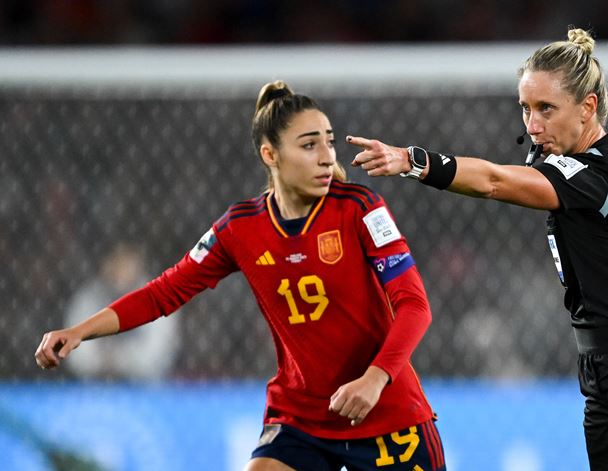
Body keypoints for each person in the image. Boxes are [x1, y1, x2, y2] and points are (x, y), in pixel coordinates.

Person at [35, 81, 446, 471]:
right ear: (271, 155)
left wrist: (375, 379)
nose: (326, 156)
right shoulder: (239, 227)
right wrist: (80, 331)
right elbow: (164, 292)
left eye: (329, 141)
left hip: (388, 414)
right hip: (302, 419)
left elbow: (414, 305)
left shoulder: (360, 208)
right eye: (309, 145)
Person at [347, 28, 608, 471]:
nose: (533, 125)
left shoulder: (593, 175)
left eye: (546, 109)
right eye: (526, 109)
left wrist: (414, 161)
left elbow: (495, 180)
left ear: (588, 107)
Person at [64, 242, 179, 381]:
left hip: (146, 387)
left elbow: (158, 355)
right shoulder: (88, 298)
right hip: (94, 386)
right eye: (115, 261)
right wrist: (104, 363)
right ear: (105, 264)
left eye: (126, 262)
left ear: (138, 264)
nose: (121, 269)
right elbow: (77, 355)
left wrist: (118, 360)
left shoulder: (157, 297)